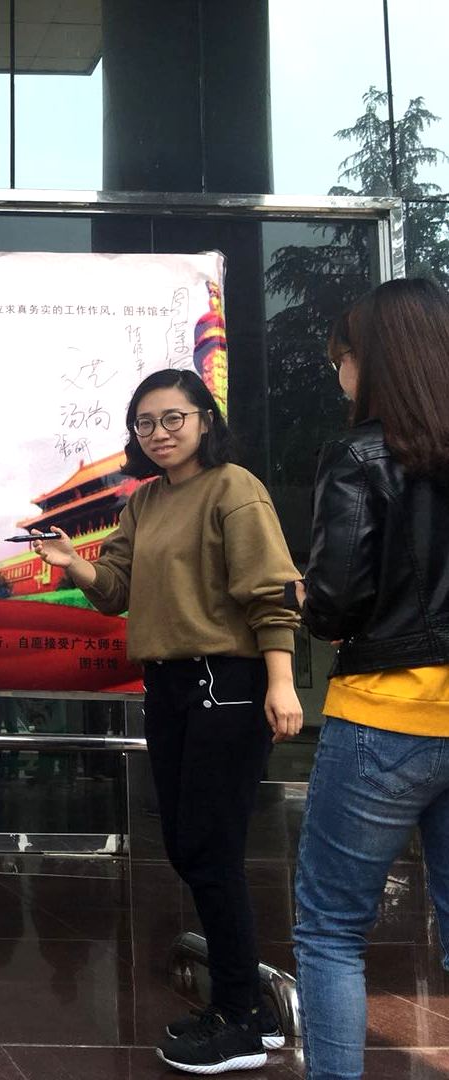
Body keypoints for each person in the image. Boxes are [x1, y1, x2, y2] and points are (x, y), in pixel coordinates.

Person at [31, 368, 303, 1075]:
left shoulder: (234, 488)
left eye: (173, 418)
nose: (159, 433)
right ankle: (248, 1010)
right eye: (146, 423)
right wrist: (72, 563)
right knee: (187, 845)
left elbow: (272, 593)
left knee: (210, 848)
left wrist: (281, 683)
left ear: (205, 419)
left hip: (227, 680)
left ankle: (240, 1020)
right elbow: (115, 590)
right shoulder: (146, 501)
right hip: (170, 683)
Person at [293, 278, 449, 1080]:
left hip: (387, 717)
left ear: (375, 360)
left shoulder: (359, 454)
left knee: (331, 930)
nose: (339, 376)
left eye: (342, 360)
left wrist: (304, 597)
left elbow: (336, 603)